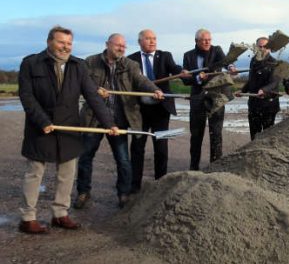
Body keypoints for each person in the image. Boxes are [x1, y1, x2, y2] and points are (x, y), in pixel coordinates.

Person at [17, 26, 118, 234]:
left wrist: (109, 124)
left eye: (69, 43)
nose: (66, 47)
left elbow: (92, 96)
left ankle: (60, 214)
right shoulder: (30, 63)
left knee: (66, 173)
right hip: (40, 127)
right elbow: (26, 97)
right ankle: (28, 218)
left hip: (69, 126)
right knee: (34, 173)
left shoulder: (78, 65)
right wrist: (42, 120)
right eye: (61, 42)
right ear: (49, 42)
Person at [75, 33, 164, 209]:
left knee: (123, 159)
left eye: (124, 46)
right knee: (85, 157)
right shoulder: (90, 62)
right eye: (118, 46)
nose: (121, 49)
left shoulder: (130, 65)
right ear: (108, 44)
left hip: (119, 120)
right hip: (94, 118)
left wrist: (155, 90)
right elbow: (80, 83)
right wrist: (95, 89)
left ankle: (123, 194)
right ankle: (83, 192)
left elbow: (141, 80)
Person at [128, 29, 189, 192]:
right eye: (148, 39)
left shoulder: (165, 56)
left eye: (154, 38)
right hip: (139, 111)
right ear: (140, 41)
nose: (152, 41)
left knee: (161, 147)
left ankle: (160, 183)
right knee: (137, 147)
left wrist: (182, 73)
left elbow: (175, 68)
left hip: (161, 110)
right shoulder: (131, 60)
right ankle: (135, 186)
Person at [182, 28, 226, 170]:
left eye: (209, 39)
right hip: (197, 98)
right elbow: (186, 81)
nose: (208, 42)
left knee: (216, 133)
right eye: (204, 40)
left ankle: (215, 165)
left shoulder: (217, 50)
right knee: (196, 135)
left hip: (216, 97)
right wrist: (197, 78)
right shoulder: (188, 56)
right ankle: (194, 167)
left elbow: (226, 61)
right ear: (196, 41)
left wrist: (231, 66)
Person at [235, 37, 281, 139]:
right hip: (254, 104)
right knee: (254, 136)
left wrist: (264, 90)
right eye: (260, 47)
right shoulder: (253, 61)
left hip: (269, 104)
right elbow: (251, 80)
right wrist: (242, 90)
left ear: (269, 48)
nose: (262, 49)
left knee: (267, 137)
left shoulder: (275, 63)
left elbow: (274, 82)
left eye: (265, 47)